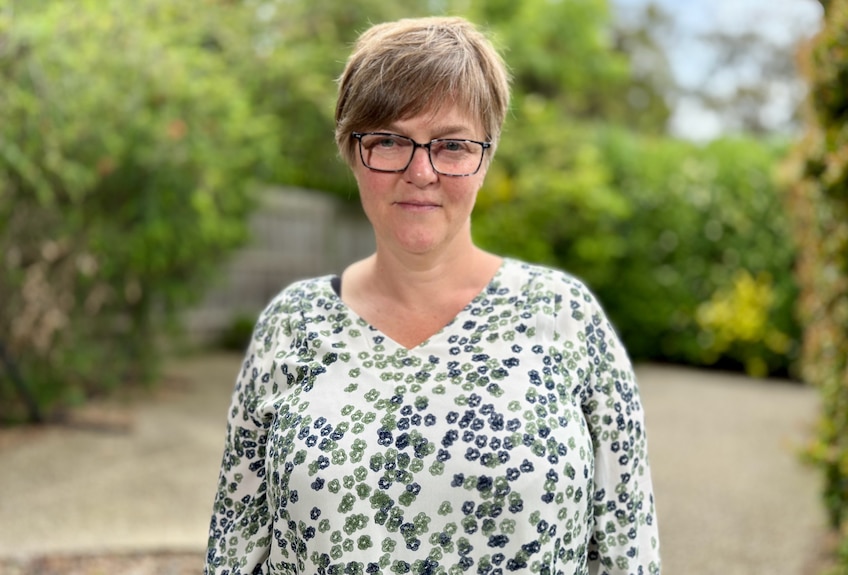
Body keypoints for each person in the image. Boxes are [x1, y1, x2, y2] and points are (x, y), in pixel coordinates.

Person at [205, 16, 660, 575]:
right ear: (351, 151)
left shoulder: (565, 318)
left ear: (485, 157)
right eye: (390, 140)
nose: (421, 171)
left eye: (451, 145)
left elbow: (627, 550)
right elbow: (233, 551)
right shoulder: (291, 325)